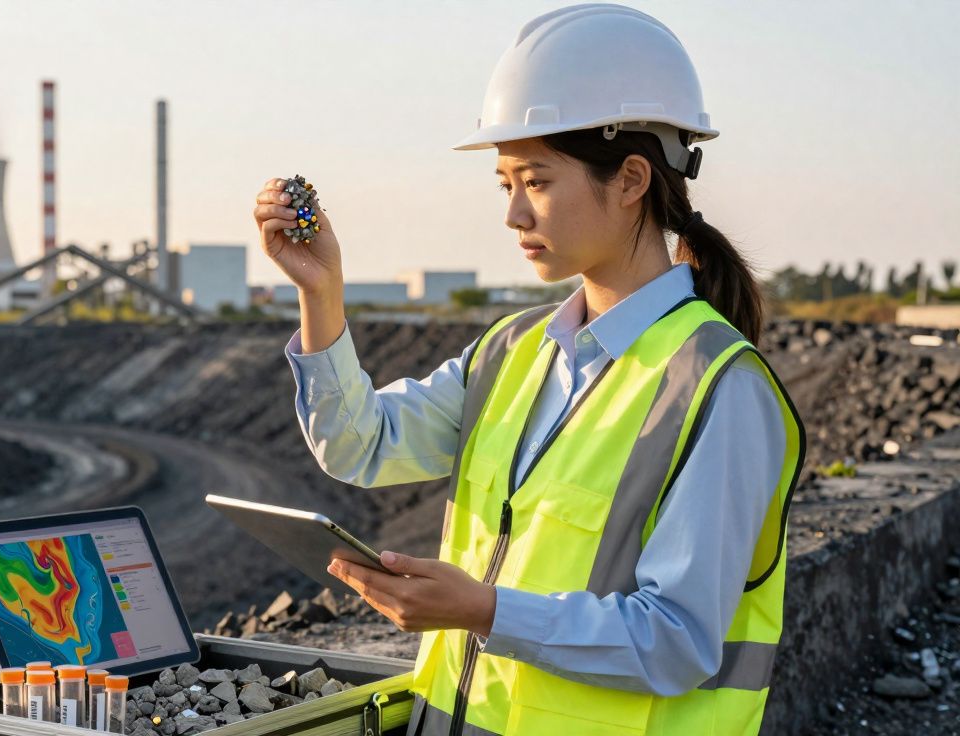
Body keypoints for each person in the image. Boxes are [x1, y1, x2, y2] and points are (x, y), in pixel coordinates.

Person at [251, 4, 805, 735]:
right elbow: (362, 445)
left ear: (631, 178)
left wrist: (484, 611)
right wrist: (321, 294)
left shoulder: (718, 387)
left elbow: (677, 641)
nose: (513, 215)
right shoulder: (513, 350)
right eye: (504, 185)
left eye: (535, 182)